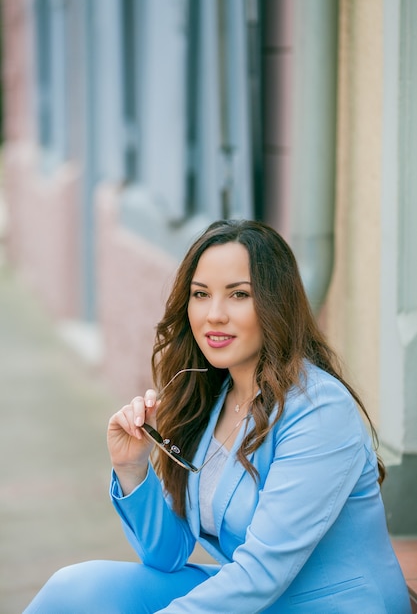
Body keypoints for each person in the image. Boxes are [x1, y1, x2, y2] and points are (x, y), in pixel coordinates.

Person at [24, 219, 411, 613]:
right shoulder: (212, 398)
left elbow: (262, 574)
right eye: (201, 294)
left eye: (239, 295)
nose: (214, 314)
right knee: (75, 589)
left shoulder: (319, 410)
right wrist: (132, 469)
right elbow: (168, 556)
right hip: (252, 596)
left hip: (324, 605)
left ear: (276, 303)